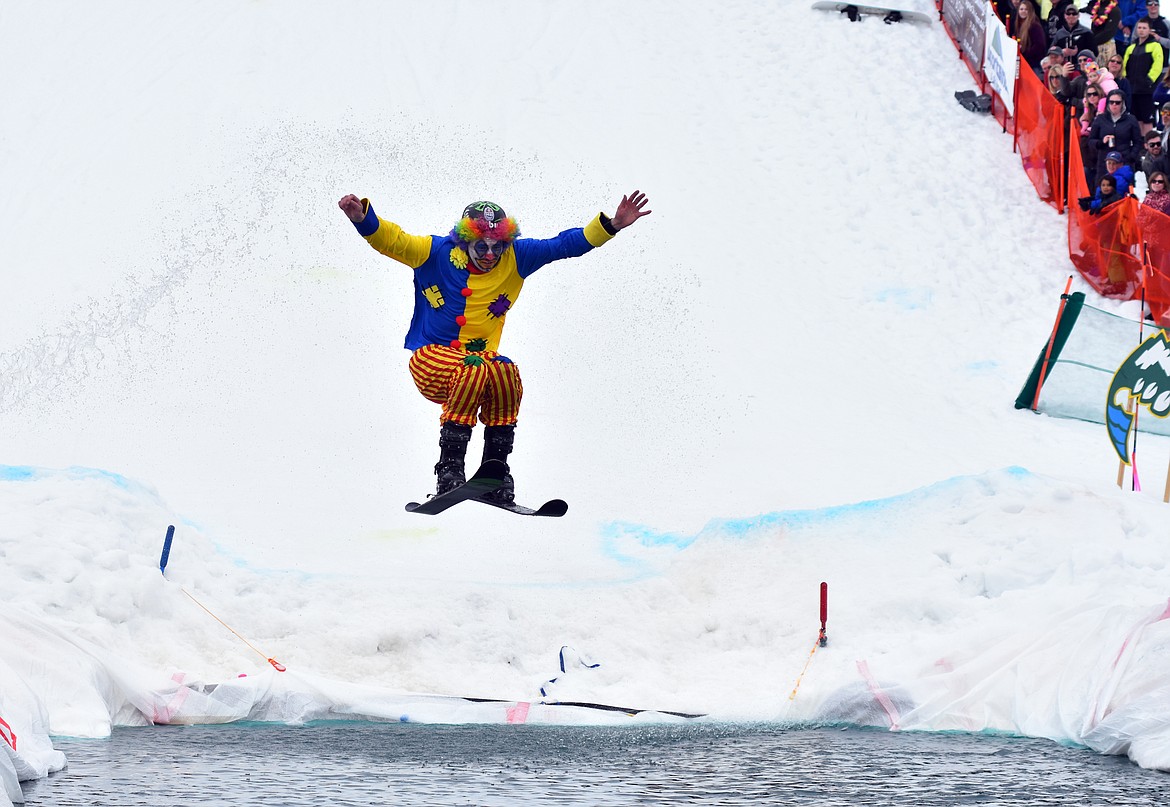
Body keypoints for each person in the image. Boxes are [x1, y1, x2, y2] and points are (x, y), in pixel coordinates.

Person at [338, 191, 652, 501]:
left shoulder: (517, 256)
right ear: (463, 242)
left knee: (505, 370)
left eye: (497, 247)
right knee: (473, 368)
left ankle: (496, 471)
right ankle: (449, 469)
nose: (490, 255)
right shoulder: (433, 252)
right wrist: (363, 219)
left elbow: (564, 245)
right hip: (430, 360)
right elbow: (392, 240)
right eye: (482, 247)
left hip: (481, 364)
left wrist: (612, 225)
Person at [1090, 90, 1143, 182]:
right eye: (1111, 102)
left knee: (1123, 191)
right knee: (1103, 191)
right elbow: (1091, 140)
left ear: (1123, 103)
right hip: (1105, 162)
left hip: (1124, 161)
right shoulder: (1100, 119)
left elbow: (1138, 141)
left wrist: (1131, 157)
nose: (1114, 105)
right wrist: (1101, 142)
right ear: (1107, 103)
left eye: (1117, 102)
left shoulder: (1131, 119)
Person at [1122, 18, 1164, 133]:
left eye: (1144, 28)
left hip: (1147, 90)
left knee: (1147, 119)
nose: (1141, 30)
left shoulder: (1155, 46)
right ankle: (1140, 145)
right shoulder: (1131, 48)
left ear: (1150, 30)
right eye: (1139, 28)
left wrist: (1149, 80)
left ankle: (1148, 144)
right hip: (1133, 89)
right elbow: (1124, 65)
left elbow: (1158, 65)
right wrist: (1126, 80)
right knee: (1136, 118)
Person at [1017, 0, 1051, 71]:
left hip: (1034, 64)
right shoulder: (1018, 24)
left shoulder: (1034, 25)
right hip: (1024, 61)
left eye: (1026, 9)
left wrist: (1024, 53)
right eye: (1021, 9)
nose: (1023, 11)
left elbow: (1039, 45)